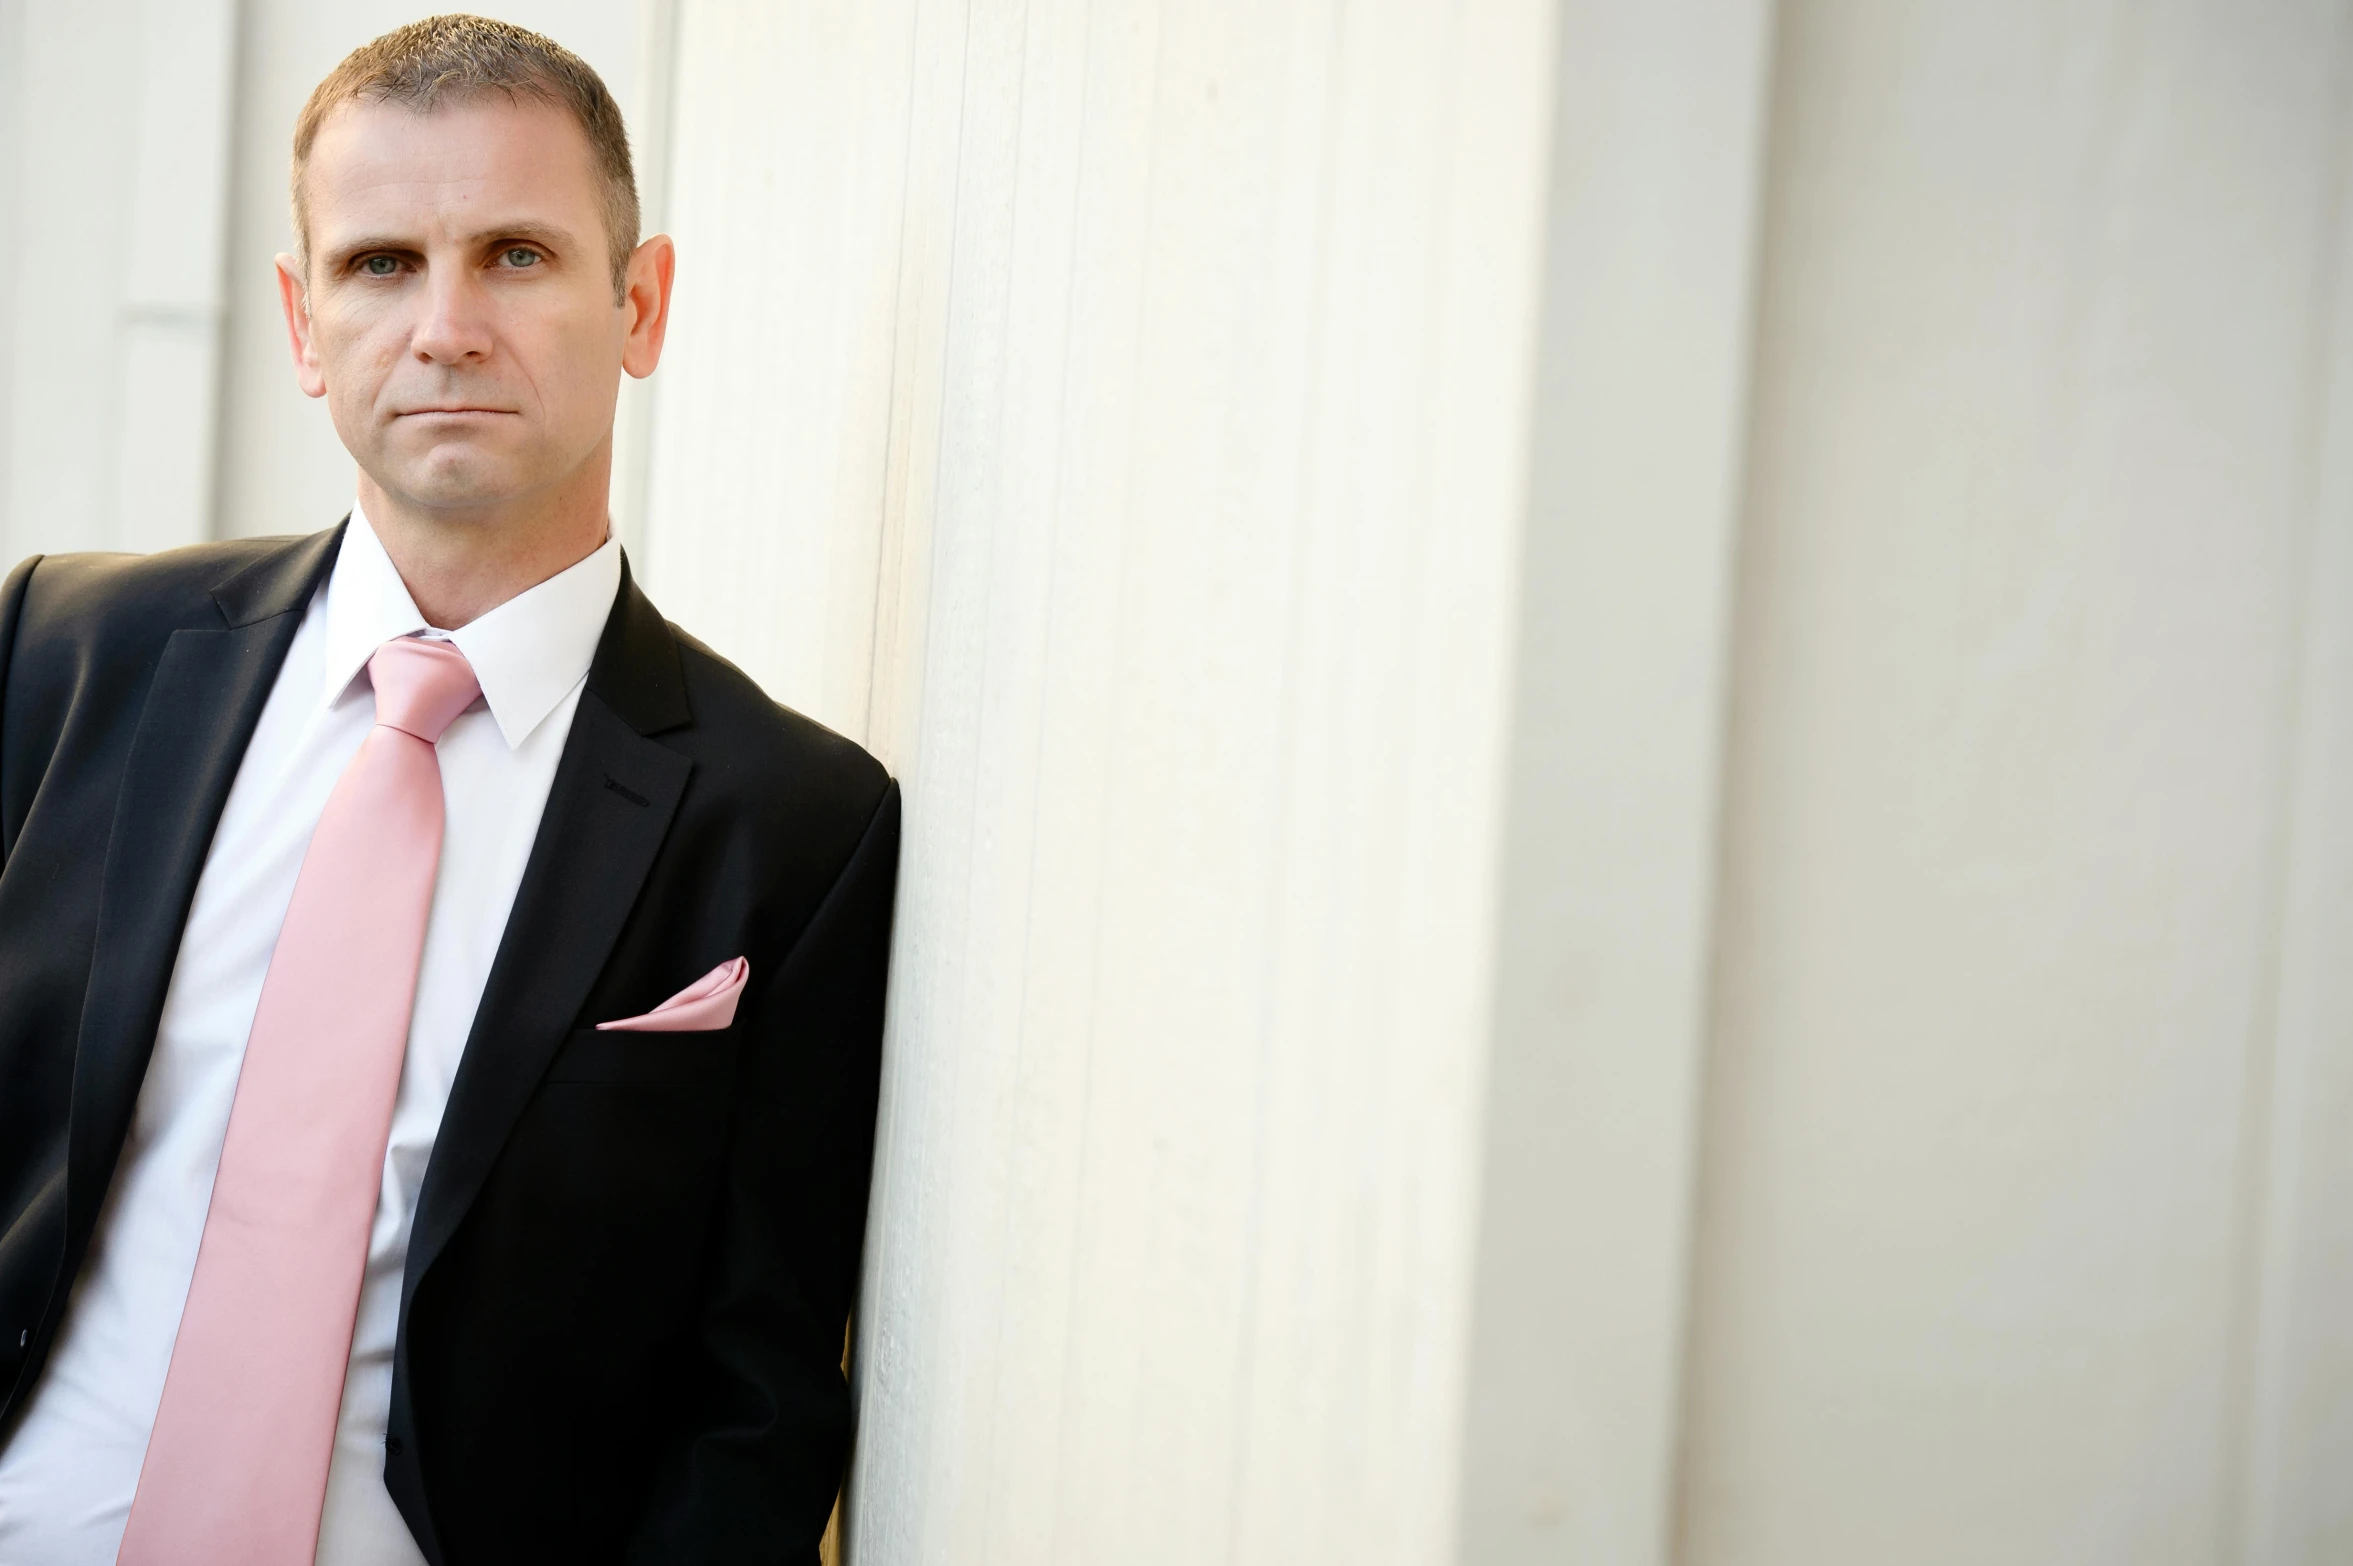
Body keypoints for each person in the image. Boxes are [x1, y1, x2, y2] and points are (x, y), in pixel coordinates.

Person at [0, 16, 897, 1564]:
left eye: (518, 255)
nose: (447, 326)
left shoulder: (793, 823)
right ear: (301, 322)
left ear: (643, 301)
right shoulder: (67, 653)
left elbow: (754, 1407)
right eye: (380, 265)